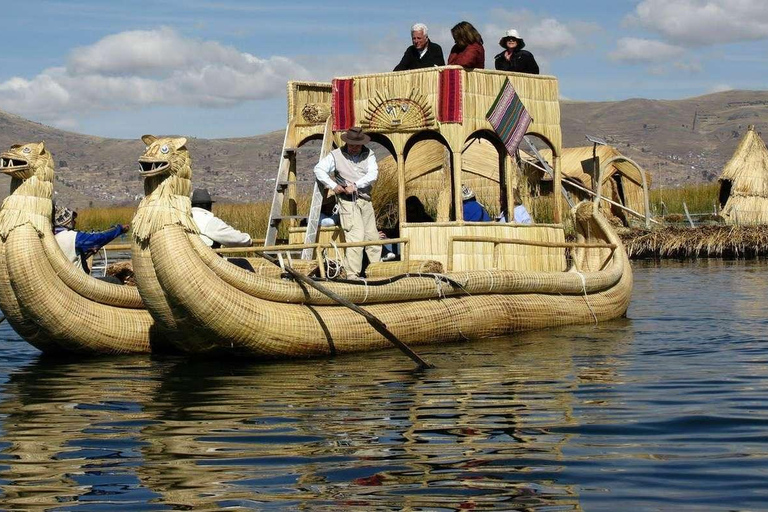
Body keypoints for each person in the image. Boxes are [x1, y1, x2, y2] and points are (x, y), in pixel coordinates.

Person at [313, 126, 380, 279]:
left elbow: (373, 174)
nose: (354, 148)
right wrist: (333, 185)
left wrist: (356, 185)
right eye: (352, 145)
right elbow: (319, 169)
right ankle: (352, 274)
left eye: (357, 145)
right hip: (347, 202)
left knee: (372, 237)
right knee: (355, 237)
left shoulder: (369, 154)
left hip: (365, 200)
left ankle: (377, 270)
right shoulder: (336, 155)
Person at [53, 205, 129, 274]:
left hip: (66, 277)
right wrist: (119, 229)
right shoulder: (73, 237)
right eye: (73, 220)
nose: (75, 222)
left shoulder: (53, 237)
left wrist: (89, 253)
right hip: (79, 282)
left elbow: (71, 259)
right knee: (115, 281)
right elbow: (99, 238)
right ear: (67, 222)